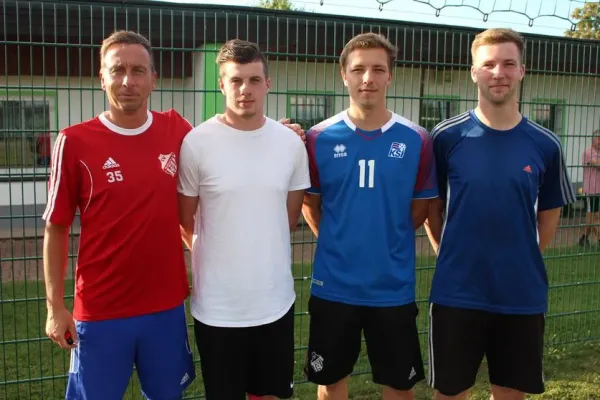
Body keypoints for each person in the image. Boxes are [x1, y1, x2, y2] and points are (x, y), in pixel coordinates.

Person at [42, 31, 304, 400]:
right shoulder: (74, 141)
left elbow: (234, 142)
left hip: (165, 309)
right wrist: (55, 307)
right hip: (100, 312)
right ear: (102, 77)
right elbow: (55, 228)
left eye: (138, 70)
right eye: (117, 70)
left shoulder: (177, 131)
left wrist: (281, 133)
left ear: (153, 79)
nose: (128, 81)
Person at [424, 28, 576, 400]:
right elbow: (432, 208)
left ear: (522, 70)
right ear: (473, 72)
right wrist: (449, 255)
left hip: (520, 294)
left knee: (510, 394)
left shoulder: (546, 144)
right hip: (457, 292)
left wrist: (525, 257)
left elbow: (550, 214)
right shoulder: (445, 137)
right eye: (489, 64)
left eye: (508, 64)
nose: (498, 73)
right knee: (450, 393)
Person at [301, 32, 438, 400]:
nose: (368, 78)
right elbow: (311, 205)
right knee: (331, 383)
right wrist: (340, 240)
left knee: (399, 386)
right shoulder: (318, 138)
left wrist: (385, 238)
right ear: (343, 74)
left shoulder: (417, 139)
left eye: (378, 69)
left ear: (390, 76)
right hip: (334, 286)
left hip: (392, 288)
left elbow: (420, 210)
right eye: (358, 69)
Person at [177, 39, 310, 400]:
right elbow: (185, 222)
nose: (244, 89)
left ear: (267, 84)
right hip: (218, 308)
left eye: (253, 80)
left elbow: (289, 217)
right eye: (235, 80)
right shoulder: (196, 143)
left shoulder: (290, 144)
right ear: (222, 84)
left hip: (275, 301)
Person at [578, 129, 600, 247]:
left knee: (594, 218)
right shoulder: (588, 152)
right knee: (593, 217)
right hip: (591, 190)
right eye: (598, 139)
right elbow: (597, 164)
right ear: (593, 140)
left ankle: (584, 237)